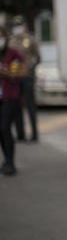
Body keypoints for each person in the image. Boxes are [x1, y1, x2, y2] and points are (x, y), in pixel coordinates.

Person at [0, 27, 27, 176]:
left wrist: (5, 71)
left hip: (10, 96)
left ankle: (10, 162)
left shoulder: (13, 54)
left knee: (5, 128)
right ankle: (6, 160)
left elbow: (20, 73)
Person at [9, 17, 40, 142]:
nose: (18, 28)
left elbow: (37, 57)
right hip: (15, 78)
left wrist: (30, 68)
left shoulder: (31, 39)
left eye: (20, 25)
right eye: (16, 26)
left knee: (30, 105)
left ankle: (34, 134)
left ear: (25, 25)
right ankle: (20, 133)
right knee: (16, 105)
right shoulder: (10, 41)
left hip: (27, 76)